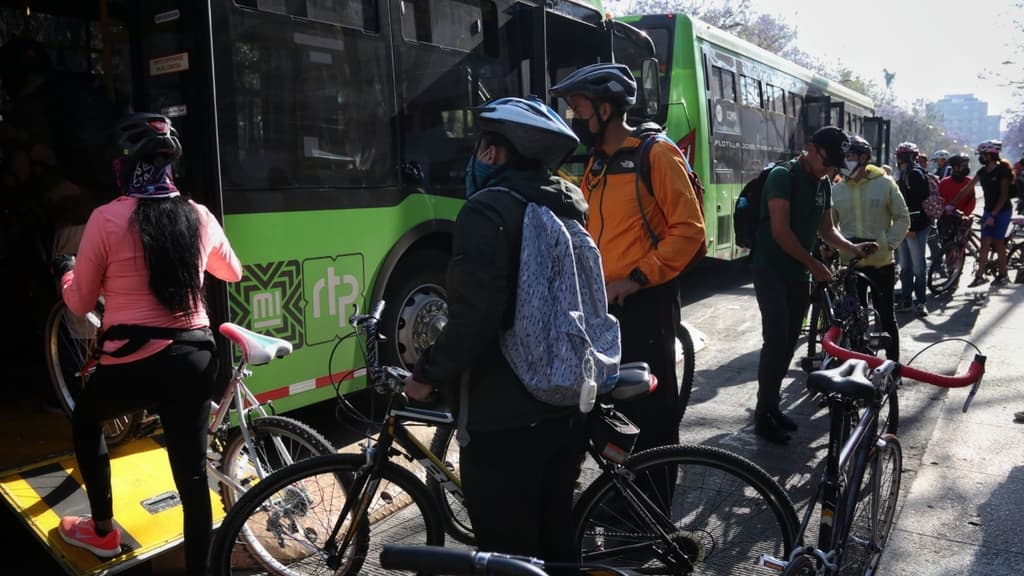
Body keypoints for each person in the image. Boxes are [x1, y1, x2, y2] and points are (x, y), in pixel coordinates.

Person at [52, 113, 242, 572]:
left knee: (87, 421)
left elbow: (79, 304)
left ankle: (102, 532)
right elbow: (232, 272)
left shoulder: (107, 218)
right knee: (192, 473)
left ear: (123, 166)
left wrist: (67, 272)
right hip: (194, 357)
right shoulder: (197, 215)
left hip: (131, 363)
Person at [402, 97, 588, 563]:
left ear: (494, 153)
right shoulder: (568, 205)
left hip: (503, 417)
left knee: (507, 555)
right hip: (564, 402)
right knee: (555, 545)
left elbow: (475, 316)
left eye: (481, 145)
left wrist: (428, 371)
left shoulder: (487, 212)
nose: (476, 156)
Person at [549, 63, 706, 451]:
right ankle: (619, 501)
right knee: (611, 411)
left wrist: (635, 278)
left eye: (579, 109)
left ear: (606, 109)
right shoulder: (598, 163)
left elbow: (690, 231)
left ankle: (654, 503)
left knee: (652, 411)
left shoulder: (656, 154)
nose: (574, 118)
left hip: (645, 300)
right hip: (605, 304)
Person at [748, 126, 876, 444]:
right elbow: (780, 231)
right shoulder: (783, 175)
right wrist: (814, 264)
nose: (831, 170)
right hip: (770, 269)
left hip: (798, 273)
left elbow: (828, 230)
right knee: (775, 340)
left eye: (835, 165)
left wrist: (853, 248)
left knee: (788, 342)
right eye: (827, 162)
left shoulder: (823, 184)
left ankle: (772, 407)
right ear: (810, 148)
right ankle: (763, 415)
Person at [831, 135, 910, 361]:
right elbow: (830, 226)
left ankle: (893, 368)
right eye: (843, 157)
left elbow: (903, 219)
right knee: (854, 319)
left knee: (886, 318)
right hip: (850, 265)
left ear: (864, 158)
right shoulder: (837, 190)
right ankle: (858, 365)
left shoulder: (885, 184)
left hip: (881, 263)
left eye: (851, 156)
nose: (845, 161)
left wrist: (887, 244)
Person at [957, 139, 1015, 287]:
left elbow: (1004, 195)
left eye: (983, 155)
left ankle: (1003, 275)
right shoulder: (982, 172)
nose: (981, 157)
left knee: (998, 242)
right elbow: (968, 188)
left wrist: (994, 215)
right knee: (984, 243)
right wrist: (951, 204)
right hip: (988, 210)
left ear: (991, 155)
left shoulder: (1003, 170)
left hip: (1002, 211)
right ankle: (979, 276)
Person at [893, 141, 931, 316]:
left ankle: (921, 302)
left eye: (902, 156)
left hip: (915, 226)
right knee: (906, 266)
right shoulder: (902, 173)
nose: (900, 159)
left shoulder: (914, 174)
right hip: (904, 225)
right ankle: (907, 300)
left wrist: (912, 227)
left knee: (917, 267)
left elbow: (916, 203)